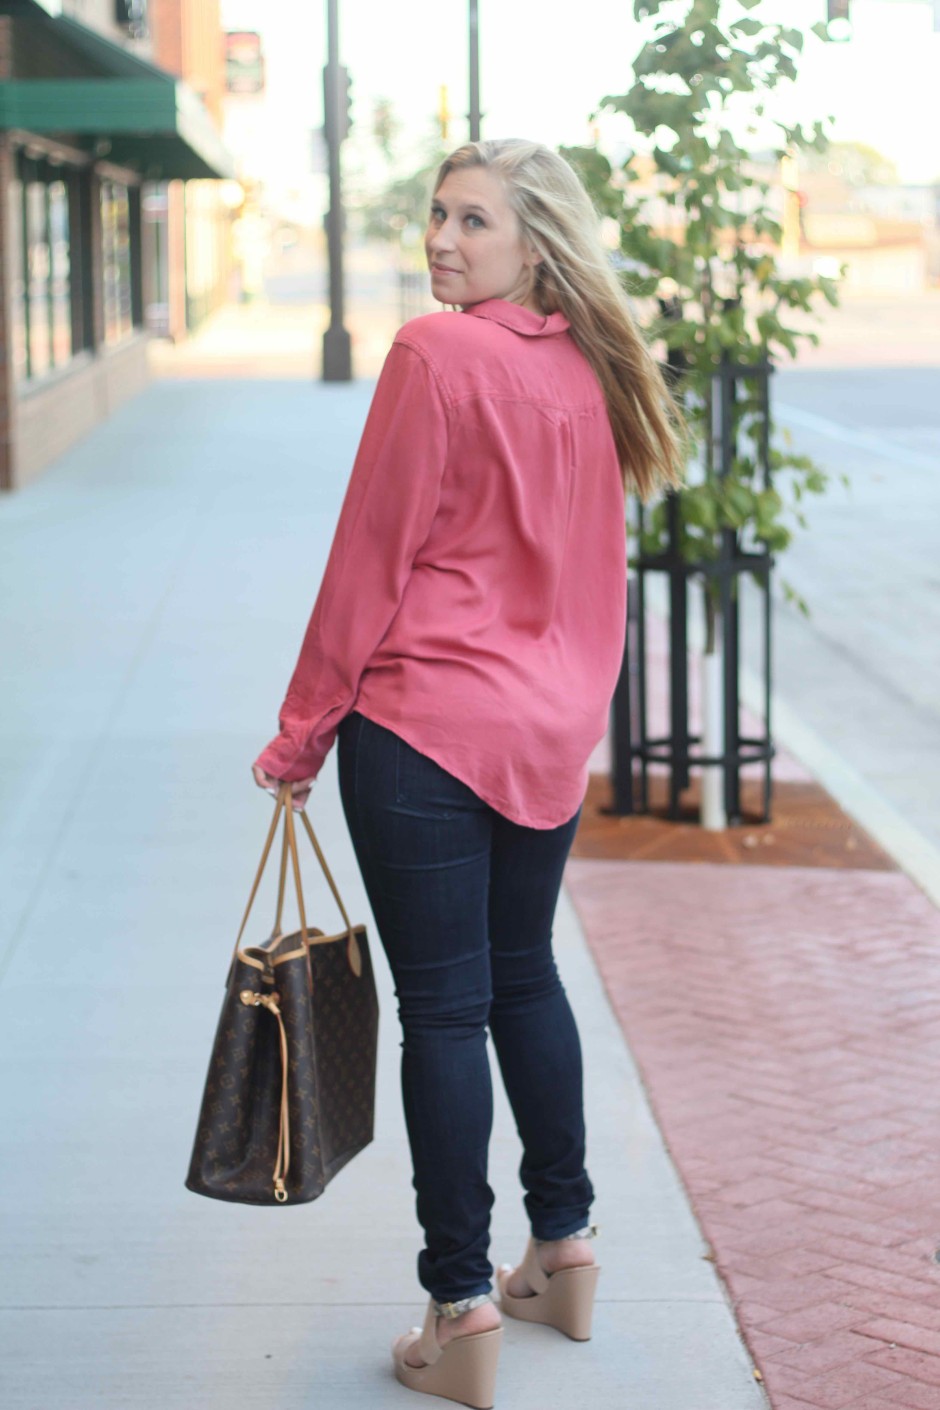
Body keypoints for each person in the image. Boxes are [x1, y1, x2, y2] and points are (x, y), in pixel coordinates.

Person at [252, 138, 682, 1409]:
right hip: (543, 736)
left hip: (426, 732)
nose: (441, 239)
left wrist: (301, 731)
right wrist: (565, 708)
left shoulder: (435, 357)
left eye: (472, 221)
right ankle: (565, 1244)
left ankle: (459, 1307)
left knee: (443, 1010)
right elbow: (595, 586)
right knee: (521, 980)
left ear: (535, 243)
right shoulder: (590, 374)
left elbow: (367, 559)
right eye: (436, 215)